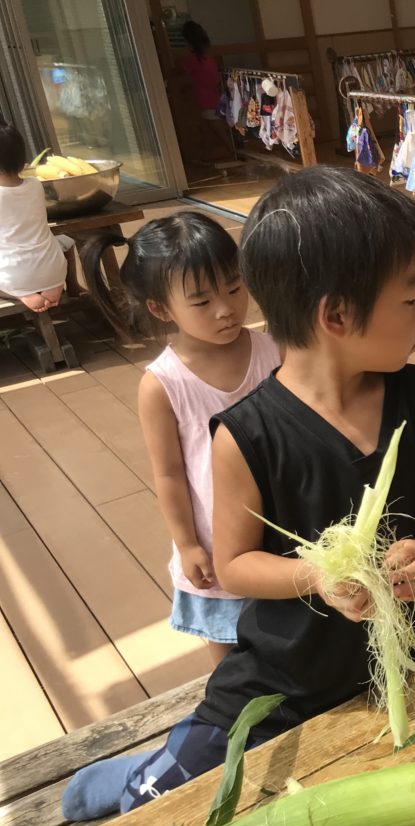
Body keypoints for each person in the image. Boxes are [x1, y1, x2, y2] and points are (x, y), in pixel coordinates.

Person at [61, 166, 415, 820]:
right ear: (336, 314)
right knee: (166, 804)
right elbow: (233, 566)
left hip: (413, 664)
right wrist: (316, 576)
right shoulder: (248, 435)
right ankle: (136, 774)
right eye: (410, 298)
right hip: (287, 684)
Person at [81, 212, 280, 667]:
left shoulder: (273, 351)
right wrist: (188, 544)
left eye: (235, 288)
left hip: (283, 524)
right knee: (228, 649)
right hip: (215, 540)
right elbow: (169, 474)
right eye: (202, 301)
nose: (226, 309)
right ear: (161, 309)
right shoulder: (163, 384)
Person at [0, 121, 78, 312]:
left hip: (15, 276)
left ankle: (22, 294)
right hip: (54, 269)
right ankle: (63, 286)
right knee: (64, 240)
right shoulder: (35, 185)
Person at [179, 20, 234, 163]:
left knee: (217, 129)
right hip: (214, 97)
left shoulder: (192, 60)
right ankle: (206, 156)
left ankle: (234, 153)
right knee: (208, 128)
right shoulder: (209, 59)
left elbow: (179, 74)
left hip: (206, 100)